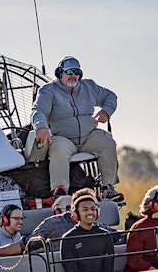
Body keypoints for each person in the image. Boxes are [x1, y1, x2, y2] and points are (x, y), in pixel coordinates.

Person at [30, 56, 123, 201]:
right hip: (63, 139)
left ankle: (108, 188)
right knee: (59, 149)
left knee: (107, 141)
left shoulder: (89, 87)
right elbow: (38, 111)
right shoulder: (48, 91)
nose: (73, 76)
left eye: (77, 72)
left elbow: (110, 96)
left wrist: (106, 111)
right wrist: (41, 127)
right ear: (60, 73)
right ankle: (60, 191)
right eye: (69, 72)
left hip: (88, 136)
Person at [61, 190, 114, 272]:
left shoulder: (105, 235)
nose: (90, 212)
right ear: (76, 214)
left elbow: (108, 267)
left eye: (93, 209)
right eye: (85, 210)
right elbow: (71, 271)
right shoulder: (68, 239)